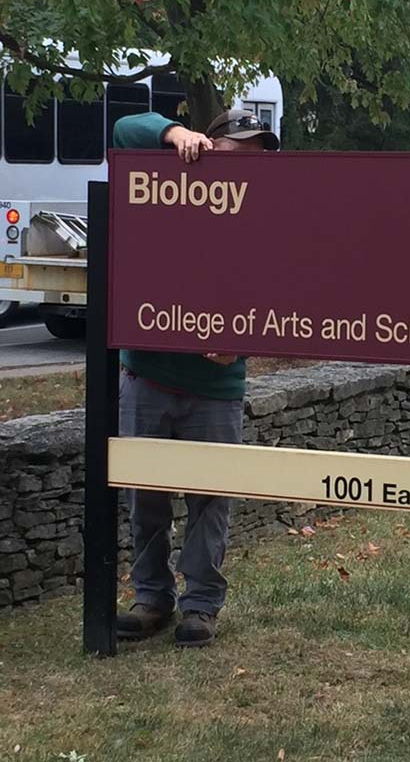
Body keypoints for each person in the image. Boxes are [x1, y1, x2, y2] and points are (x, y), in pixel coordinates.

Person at [115, 109, 279, 647]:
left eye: (259, 155)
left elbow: (283, 297)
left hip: (216, 387)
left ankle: (201, 605)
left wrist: (241, 344)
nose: (249, 163)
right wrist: (175, 134)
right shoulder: (168, 181)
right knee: (147, 498)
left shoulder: (263, 218)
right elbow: (124, 130)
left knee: (211, 501)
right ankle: (151, 599)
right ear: (213, 143)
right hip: (149, 373)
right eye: (240, 149)